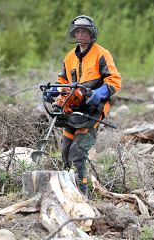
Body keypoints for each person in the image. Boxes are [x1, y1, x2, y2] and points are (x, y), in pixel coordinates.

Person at [45, 15, 122, 195]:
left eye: (84, 31)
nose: (80, 35)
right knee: (65, 151)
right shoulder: (70, 56)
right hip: (72, 110)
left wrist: (100, 93)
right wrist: (55, 90)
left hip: (92, 111)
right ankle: (66, 191)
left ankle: (82, 193)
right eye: (77, 31)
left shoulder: (101, 54)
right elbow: (63, 80)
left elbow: (115, 81)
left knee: (78, 153)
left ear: (91, 33)